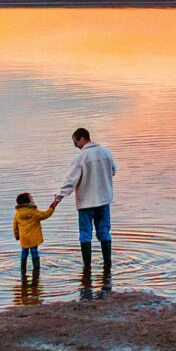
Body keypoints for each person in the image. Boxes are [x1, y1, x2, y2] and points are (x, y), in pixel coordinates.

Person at [57, 125, 118, 291]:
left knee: (85, 235)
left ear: (81, 138)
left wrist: (58, 197)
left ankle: (87, 269)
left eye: (75, 142)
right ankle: (108, 265)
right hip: (104, 200)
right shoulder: (106, 152)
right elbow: (113, 171)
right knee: (104, 232)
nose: (75, 145)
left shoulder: (81, 158)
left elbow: (71, 180)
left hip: (86, 203)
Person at [12, 189, 60, 282]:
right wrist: (52, 207)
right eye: (32, 199)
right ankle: (36, 268)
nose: (33, 200)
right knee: (34, 252)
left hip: (24, 239)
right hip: (33, 239)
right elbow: (45, 215)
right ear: (28, 202)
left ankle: (23, 269)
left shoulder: (18, 214)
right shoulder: (33, 212)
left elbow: (15, 226)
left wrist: (17, 236)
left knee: (24, 252)